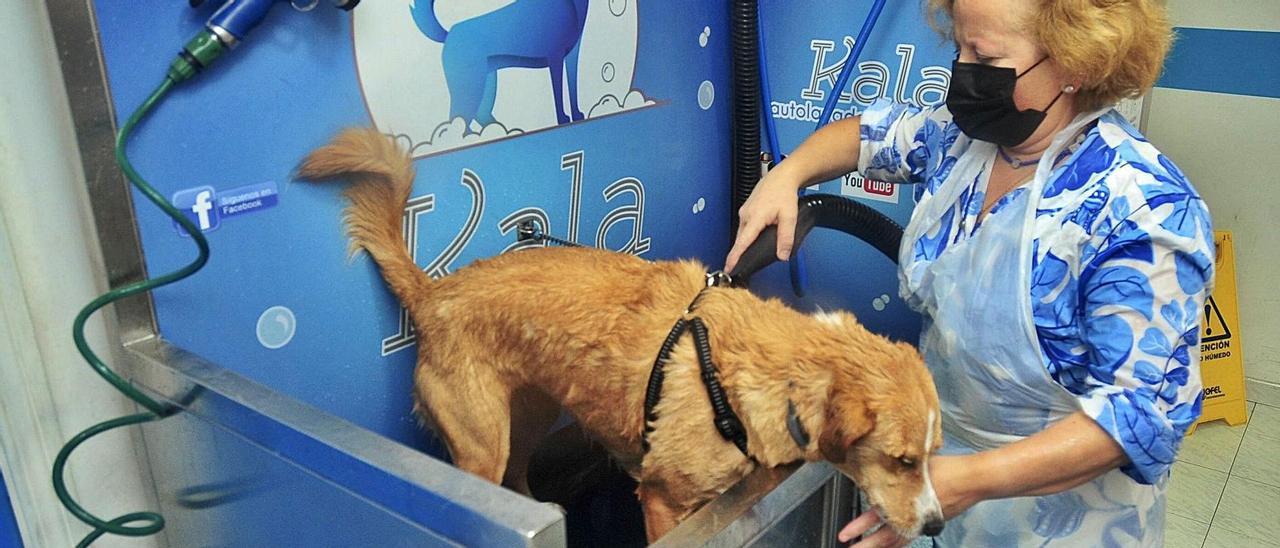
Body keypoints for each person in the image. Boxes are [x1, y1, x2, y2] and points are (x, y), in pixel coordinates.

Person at [725, 0, 1215, 546]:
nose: (961, 72)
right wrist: (786, 176)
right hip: (937, 475)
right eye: (958, 47)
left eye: (983, 55)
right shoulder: (962, 144)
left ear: (1075, 65)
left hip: (1063, 516)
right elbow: (866, 135)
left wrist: (971, 481)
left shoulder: (1143, 210)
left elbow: (1140, 417)